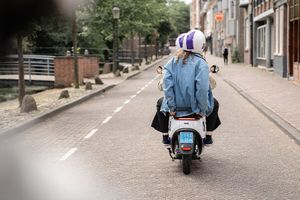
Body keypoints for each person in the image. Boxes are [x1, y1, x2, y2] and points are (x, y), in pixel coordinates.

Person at [151, 30, 221, 145]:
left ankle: (165, 137)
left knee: (160, 103)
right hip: (194, 109)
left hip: (176, 109)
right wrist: (201, 110)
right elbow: (202, 90)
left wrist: (172, 108)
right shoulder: (201, 64)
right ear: (201, 45)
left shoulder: (172, 63)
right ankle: (208, 136)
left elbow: (167, 87)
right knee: (215, 103)